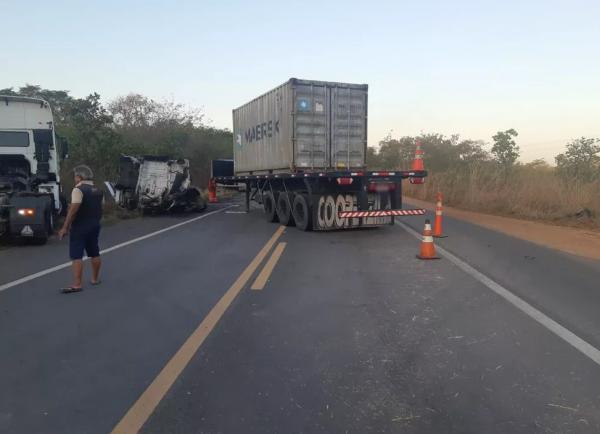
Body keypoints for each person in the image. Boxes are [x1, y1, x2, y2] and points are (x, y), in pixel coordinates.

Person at [58, 165, 104, 293]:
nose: (74, 179)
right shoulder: (98, 190)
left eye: (75, 177)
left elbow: (73, 211)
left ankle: (77, 284)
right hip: (95, 225)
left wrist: (65, 227)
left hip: (80, 226)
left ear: (79, 177)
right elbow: (99, 207)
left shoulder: (78, 190)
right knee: (94, 252)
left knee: (76, 255)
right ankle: (95, 279)